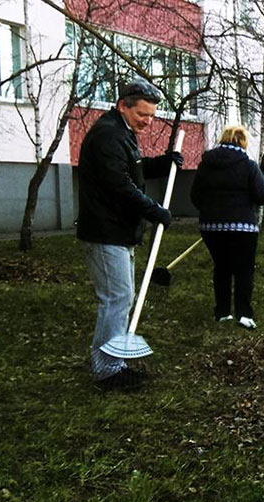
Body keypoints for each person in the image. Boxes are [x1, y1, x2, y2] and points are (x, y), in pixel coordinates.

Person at [76, 78, 181, 392]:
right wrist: (154, 210)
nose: (147, 122)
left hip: (119, 230)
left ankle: (112, 362)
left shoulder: (121, 132)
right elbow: (119, 184)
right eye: (142, 115)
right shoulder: (108, 135)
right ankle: (108, 370)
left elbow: (132, 169)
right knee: (116, 298)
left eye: (151, 116)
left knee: (120, 298)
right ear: (124, 105)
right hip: (106, 231)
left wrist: (161, 164)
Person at [190, 125, 264, 329]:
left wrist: (211, 211)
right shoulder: (248, 165)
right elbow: (262, 196)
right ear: (243, 142)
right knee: (244, 270)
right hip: (242, 228)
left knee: (222, 268)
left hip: (211, 227)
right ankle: (244, 314)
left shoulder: (206, 164)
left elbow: (195, 196)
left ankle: (222, 313)